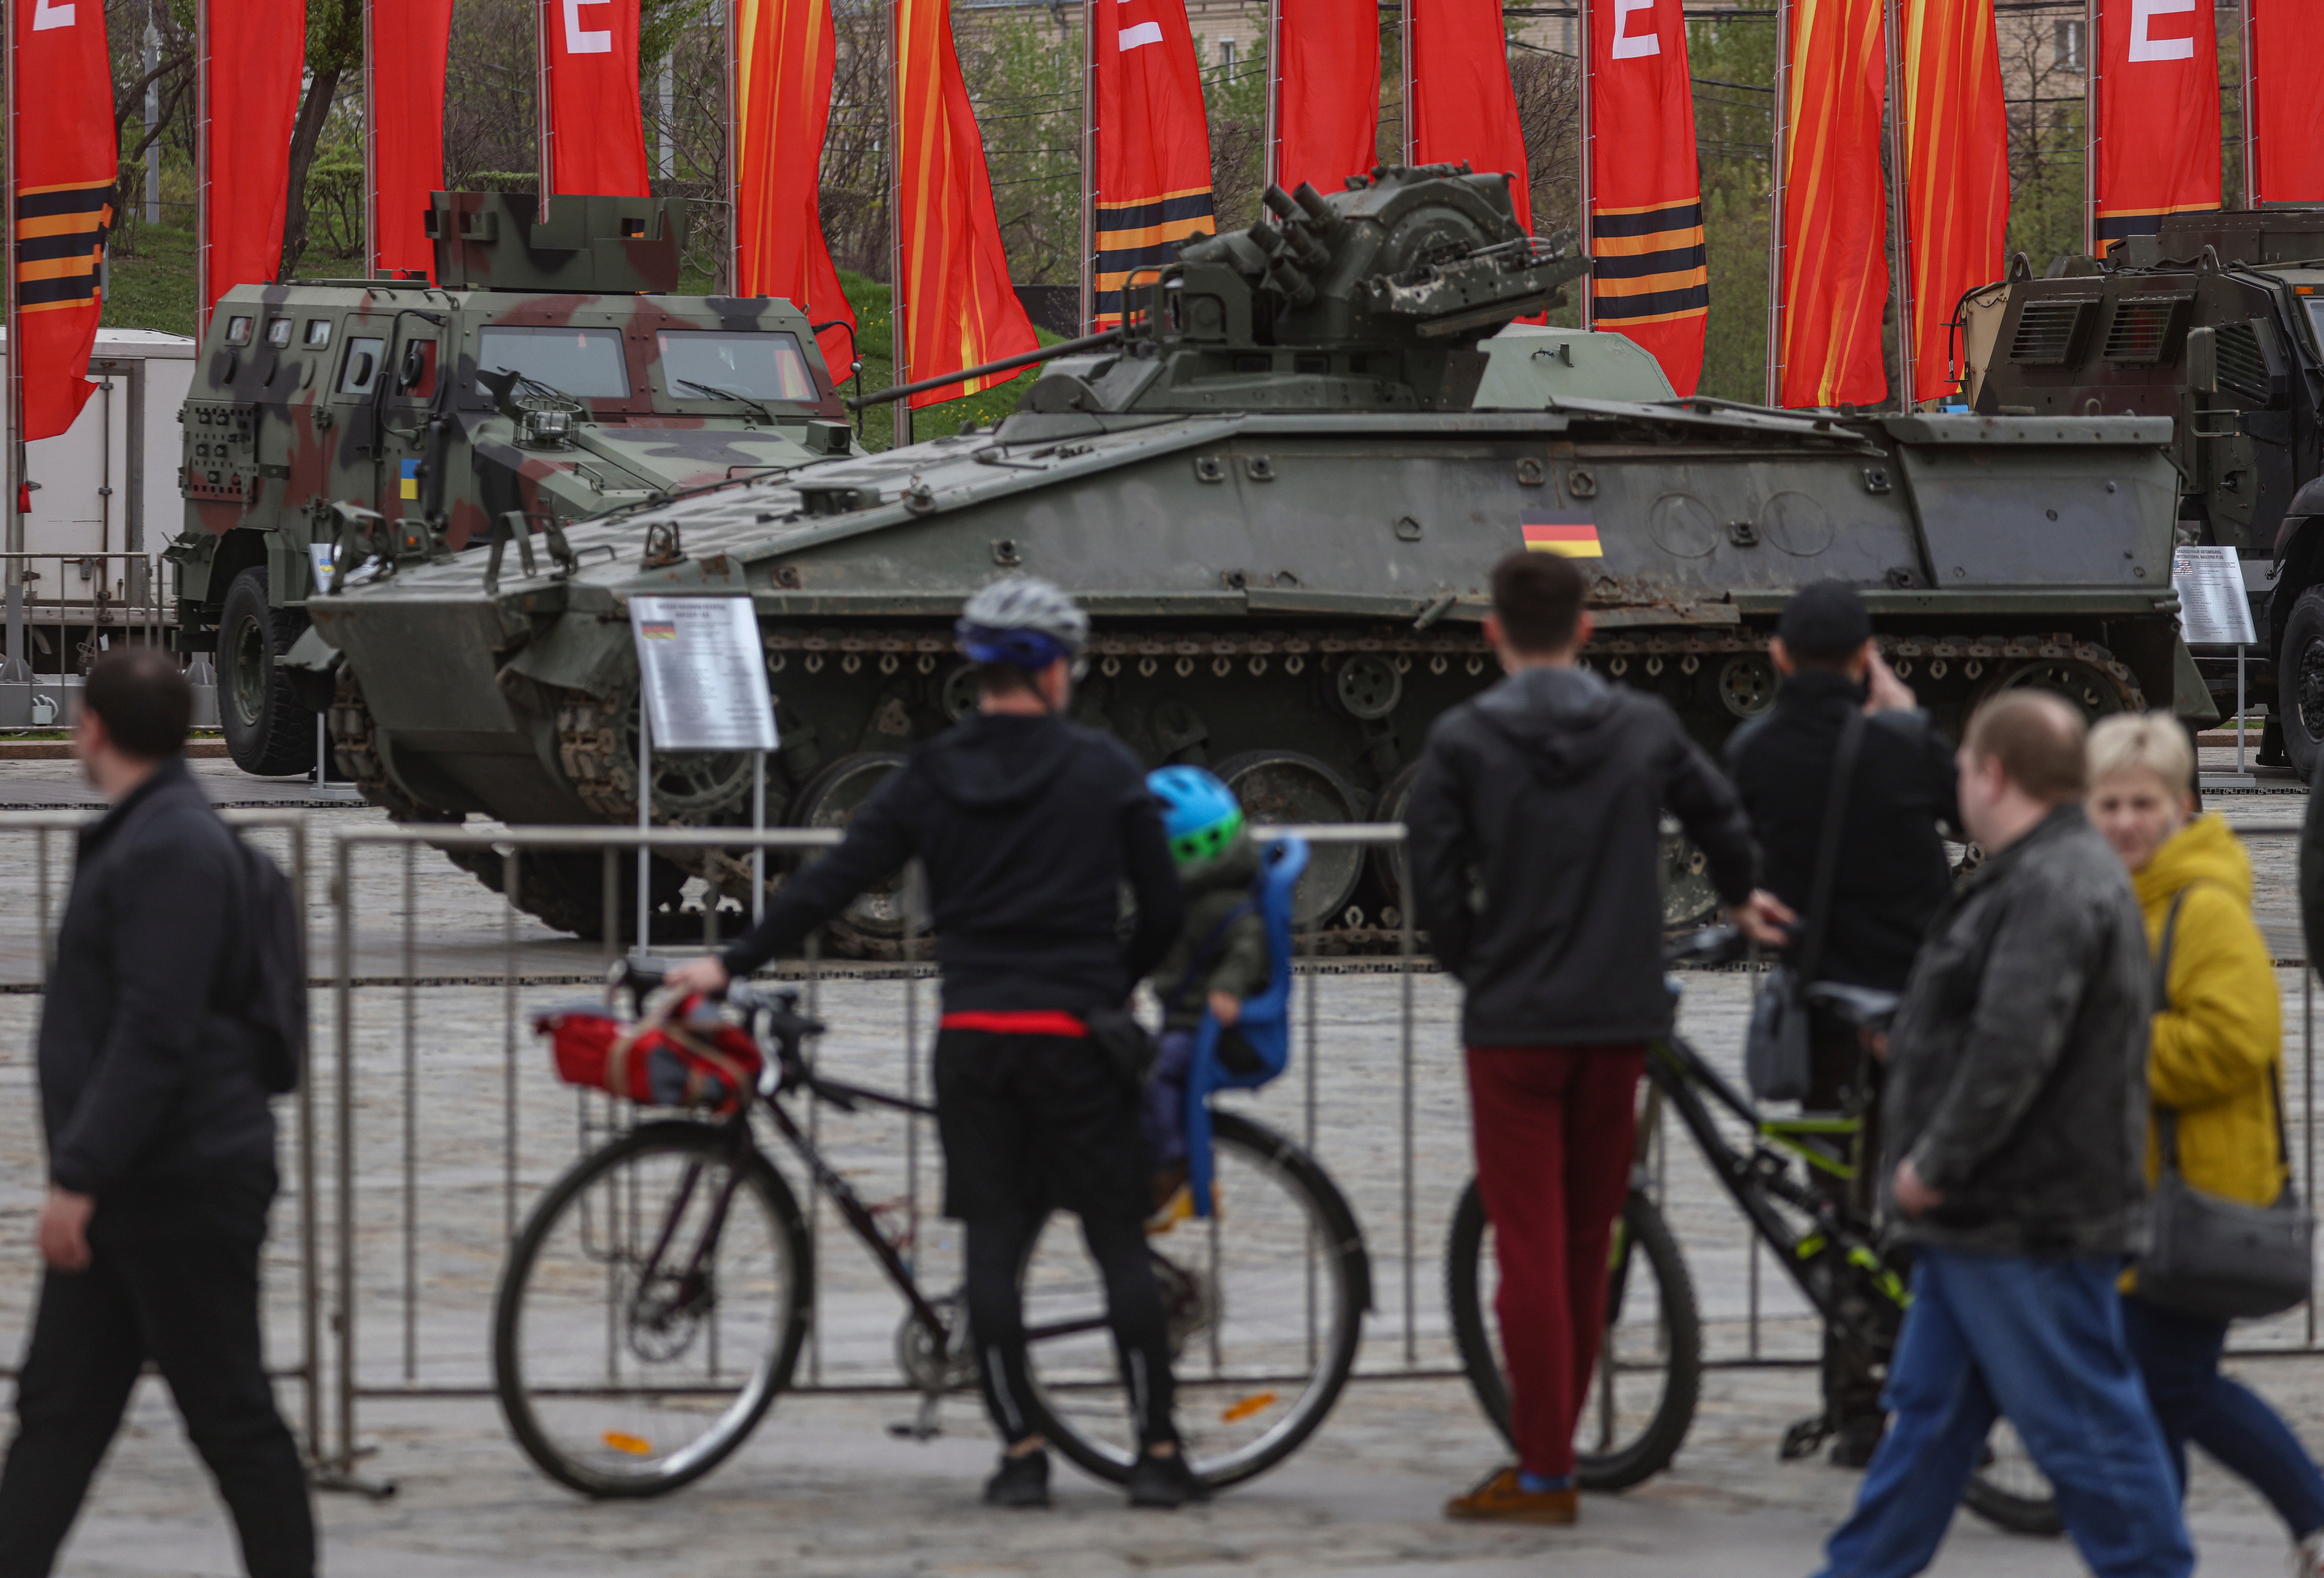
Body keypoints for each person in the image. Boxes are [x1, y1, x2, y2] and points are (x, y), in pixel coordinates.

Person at [663, 578, 1200, 1509]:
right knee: (1117, 1244)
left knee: (992, 1253)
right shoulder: (1106, 769)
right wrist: (1109, 986)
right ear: (1058, 670)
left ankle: (1023, 1456)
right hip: (1077, 1035)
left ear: (980, 669)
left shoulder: (934, 773)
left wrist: (731, 962)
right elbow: (1161, 913)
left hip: (976, 1039)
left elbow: (831, 881)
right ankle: (1155, 1453)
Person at [1406, 549, 1789, 1525]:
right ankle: (1552, 1461)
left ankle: (1545, 1470)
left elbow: (1438, 888)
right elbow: (1724, 820)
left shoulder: (1461, 740)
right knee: (1585, 1243)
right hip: (1619, 1016)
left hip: (1516, 1023)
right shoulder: (1642, 726)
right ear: (1586, 630)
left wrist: (1477, 971)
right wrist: (1741, 899)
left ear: (1493, 631)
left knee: (1526, 1249)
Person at [1813, 689, 2191, 1578]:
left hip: (2024, 1220)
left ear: (1992, 773)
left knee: (2088, 1431)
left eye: (1960, 771)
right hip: (1987, 1222)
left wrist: (1931, 1167)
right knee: (1928, 1428)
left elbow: (2013, 1047)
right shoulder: (2041, 871)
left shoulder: (2055, 883)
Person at [0, 650, 314, 1578]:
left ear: (91, 726)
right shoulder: (156, 829)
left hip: (176, 1184)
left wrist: (79, 1176)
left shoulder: (171, 844)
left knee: (231, 1416)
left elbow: (154, 1029)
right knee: (60, 1411)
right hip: (140, 1181)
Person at [1724, 580, 1959, 1469]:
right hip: (1916, 1014)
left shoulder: (1757, 749)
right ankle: (1939, 1392)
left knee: (1839, 1213)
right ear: (1867, 659)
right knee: (1927, 1205)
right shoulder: (1899, 744)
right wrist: (1904, 710)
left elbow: (1742, 862)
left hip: (1823, 1017)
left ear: (1780, 658)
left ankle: (1856, 1410)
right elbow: (1968, 804)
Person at [2087, 712, 2324, 1574]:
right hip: (2141, 1195)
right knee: (2150, 1392)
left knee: (2171, 1387)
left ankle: (2309, 1510)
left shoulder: (2203, 910)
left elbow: (2236, 1040)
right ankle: (2157, 1551)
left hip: (2203, 1193)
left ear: (2183, 805)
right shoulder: (2123, 904)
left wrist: (2107, 1054)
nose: (2123, 821)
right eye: (2107, 803)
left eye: (2142, 803)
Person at [1139, 766, 1270, 1218]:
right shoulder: (1203, 899)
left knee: (1157, 1075)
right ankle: (1188, 1175)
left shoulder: (1219, 905)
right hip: (1190, 1020)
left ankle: (1175, 1167)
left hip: (1207, 1026)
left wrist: (1227, 989)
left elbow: (1248, 945)